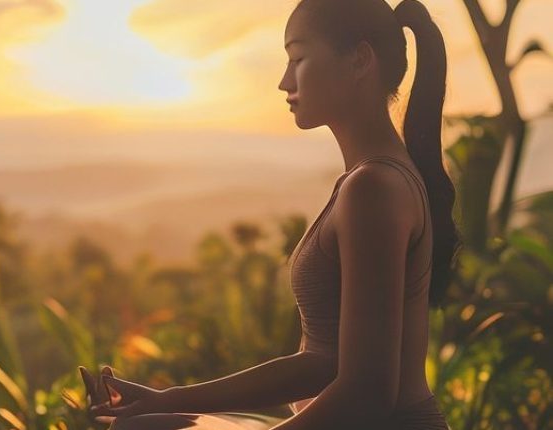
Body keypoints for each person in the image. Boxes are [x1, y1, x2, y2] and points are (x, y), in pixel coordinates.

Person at [79, 0, 462, 428]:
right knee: (150, 423)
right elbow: (323, 362)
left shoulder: (374, 189)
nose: (284, 81)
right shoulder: (366, 183)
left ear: (359, 59)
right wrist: (165, 400)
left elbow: (368, 393)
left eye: (298, 58)